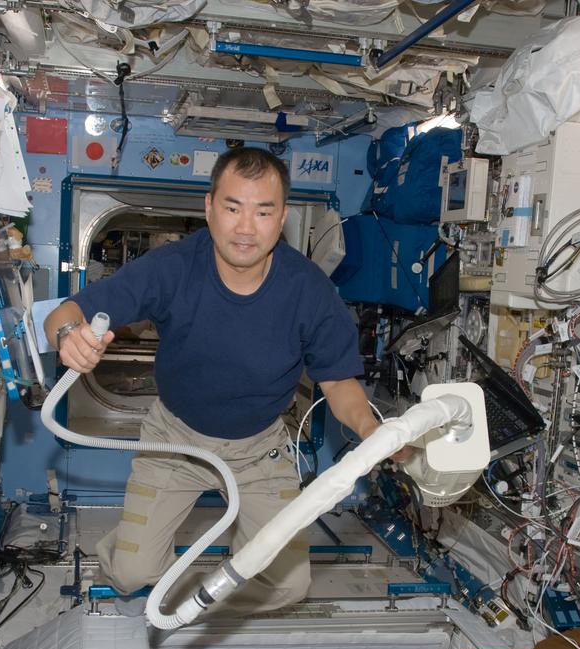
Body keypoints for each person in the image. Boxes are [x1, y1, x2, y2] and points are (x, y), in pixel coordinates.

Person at [43, 147, 381, 615]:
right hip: (176, 441)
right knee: (130, 574)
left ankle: (202, 599)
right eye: (232, 208)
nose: (246, 227)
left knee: (289, 587)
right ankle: (131, 548)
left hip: (260, 450)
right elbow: (66, 311)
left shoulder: (310, 292)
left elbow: (341, 386)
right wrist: (67, 335)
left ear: (282, 217)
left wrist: (373, 433)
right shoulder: (174, 267)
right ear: (208, 207)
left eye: (263, 211)